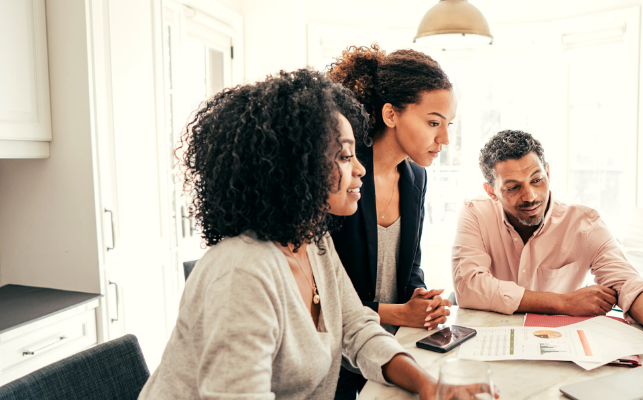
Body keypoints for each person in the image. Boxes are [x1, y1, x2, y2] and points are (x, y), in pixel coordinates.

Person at [137, 69, 441, 399]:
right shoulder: (243, 270)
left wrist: (430, 386)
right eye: (343, 156)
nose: (360, 168)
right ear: (296, 167)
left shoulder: (314, 242)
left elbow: (357, 328)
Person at [451, 130, 643, 339]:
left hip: (557, 343)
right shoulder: (475, 212)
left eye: (537, 180)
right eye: (513, 187)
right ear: (491, 191)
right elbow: (469, 287)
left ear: (547, 172)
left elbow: (629, 286)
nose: (530, 196)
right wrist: (563, 302)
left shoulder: (584, 224)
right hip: (490, 339)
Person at [326, 44, 457, 398]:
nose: (444, 139)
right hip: (335, 358)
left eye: (447, 125)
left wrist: (419, 296)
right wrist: (400, 313)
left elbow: (409, 262)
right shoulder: (339, 181)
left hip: (388, 348)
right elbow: (325, 297)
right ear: (390, 114)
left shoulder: (416, 177)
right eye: (433, 122)